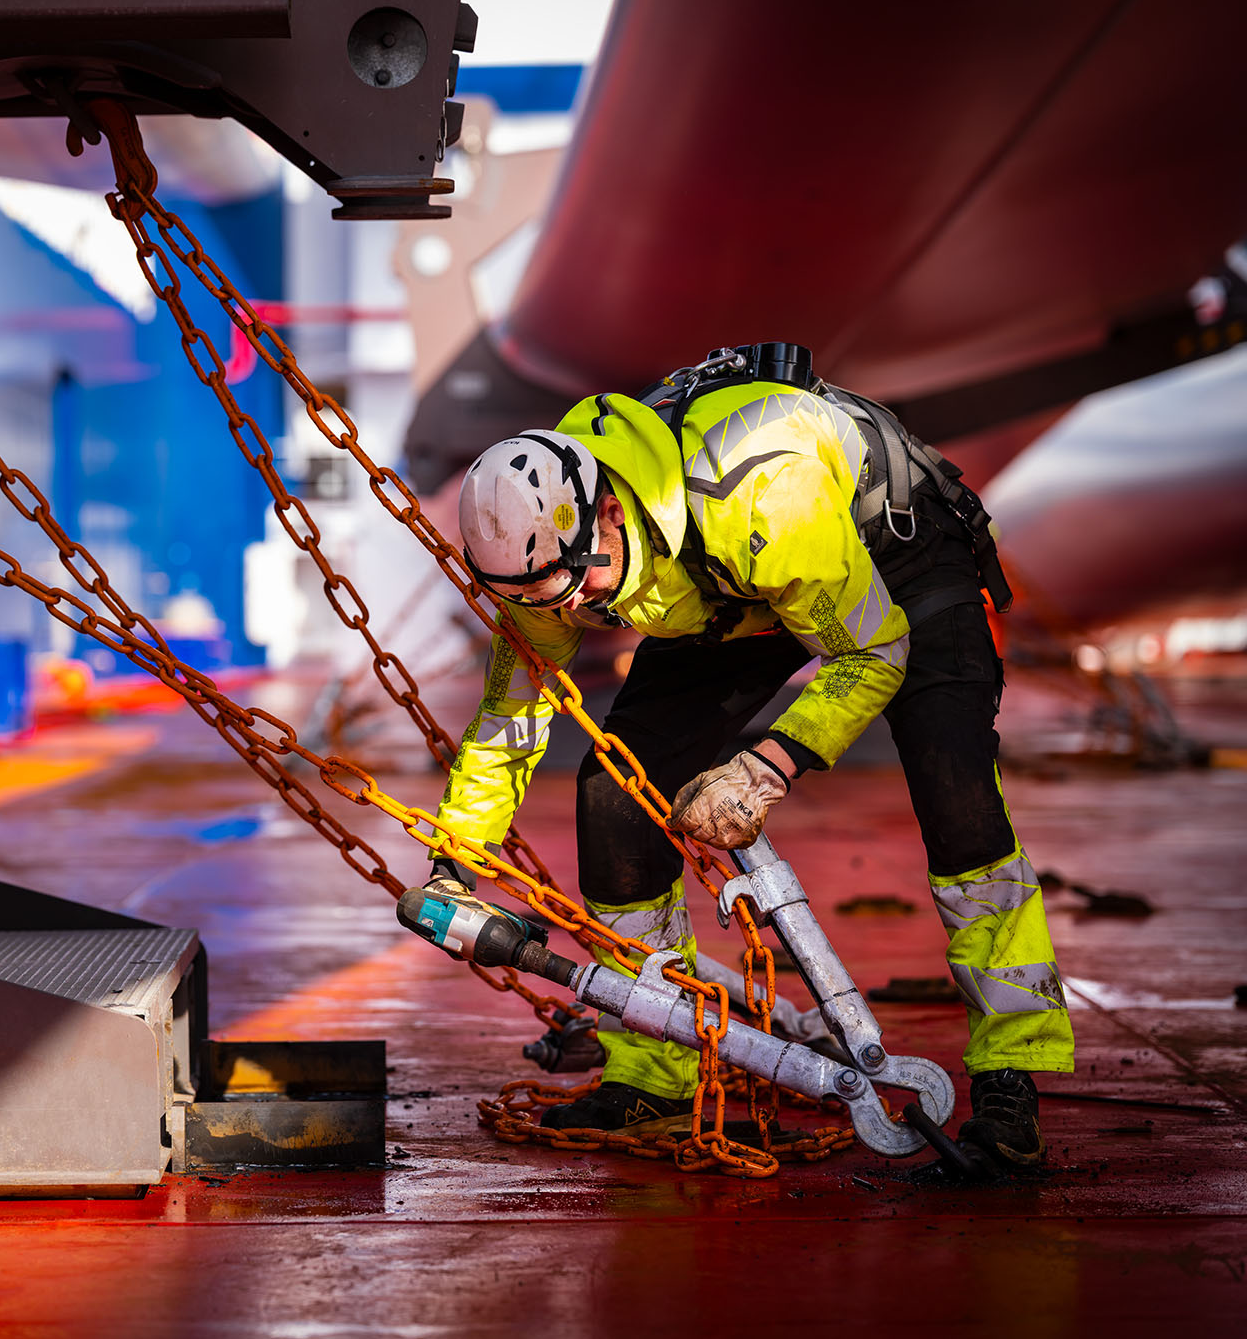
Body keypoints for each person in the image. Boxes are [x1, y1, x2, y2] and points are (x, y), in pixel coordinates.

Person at [426, 344, 1071, 1172]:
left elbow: (872, 649)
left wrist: (764, 768)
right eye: (553, 603)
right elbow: (509, 719)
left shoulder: (758, 492)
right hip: (730, 590)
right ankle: (651, 1069)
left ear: (609, 513)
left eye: (582, 589)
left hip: (893, 555)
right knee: (616, 795)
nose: (578, 611)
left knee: (957, 795)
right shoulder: (550, 566)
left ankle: (1011, 1072)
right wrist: (453, 862)